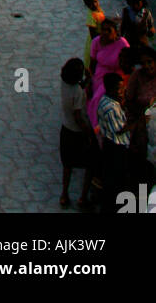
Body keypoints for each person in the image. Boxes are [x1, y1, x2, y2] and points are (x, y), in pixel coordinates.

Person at [58, 57, 97, 209]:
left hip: (66, 130)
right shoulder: (78, 93)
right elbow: (78, 116)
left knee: (67, 165)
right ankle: (82, 198)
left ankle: (64, 194)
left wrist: (87, 78)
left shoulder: (65, 85)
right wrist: (88, 132)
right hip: (77, 133)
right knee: (89, 164)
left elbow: (79, 86)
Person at [96, 73, 133, 212]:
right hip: (115, 148)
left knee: (113, 180)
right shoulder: (111, 107)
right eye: (120, 89)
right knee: (115, 181)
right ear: (111, 89)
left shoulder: (108, 101)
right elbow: (120, 130)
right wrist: (138, 121)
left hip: (111, 145)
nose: (122, 91)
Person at [87, 20, 130, 131]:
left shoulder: (122, 43)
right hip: (100, 75)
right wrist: (89, 81)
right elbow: (92, 63)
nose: (105, 33)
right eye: (103, 30)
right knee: (96, 98)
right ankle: (96, 126)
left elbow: (128, 63)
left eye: (109, 30)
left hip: (117, 75)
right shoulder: (96, 42)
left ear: (115, 32)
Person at [83, 0, 106, 70]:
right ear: (86, 4)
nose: (94, 5)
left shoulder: (99, 9)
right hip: (96, 42)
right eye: (90, 4)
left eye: (95, 1)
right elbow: (93, 35)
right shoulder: (91, 16)